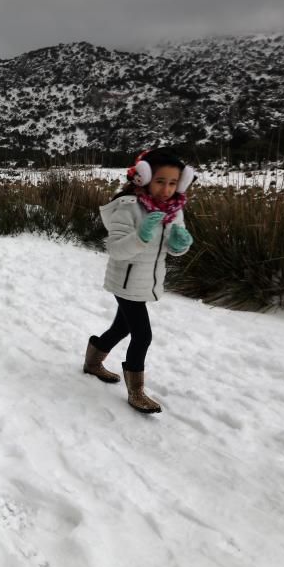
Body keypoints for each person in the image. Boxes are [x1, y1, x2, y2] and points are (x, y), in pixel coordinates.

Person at [83, 148, 196, 414]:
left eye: (172, 183)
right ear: (143, 178)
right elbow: (116, 249)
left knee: (122, 328)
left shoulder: (174, 210)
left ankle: (92, 361)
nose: (167, 189)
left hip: (148, 280)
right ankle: (136, 391)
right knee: (142, 334)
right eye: (160, 181)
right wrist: (141, 236)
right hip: (125, 281)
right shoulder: (128, 207)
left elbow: (169, 247)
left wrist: (180, 245)